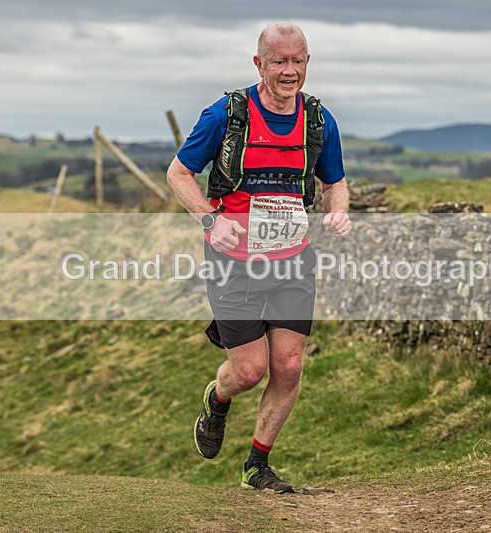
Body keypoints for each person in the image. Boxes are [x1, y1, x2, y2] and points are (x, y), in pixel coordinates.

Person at [166, 21, 351, 494]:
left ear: (307, 62)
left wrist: (338, 210)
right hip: (233, 260)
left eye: (298, 61)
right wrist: (211, 220)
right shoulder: (226, 115)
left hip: (293, 260)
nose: (290, 71)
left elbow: (334, 181)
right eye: (279, 61)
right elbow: (179, 173)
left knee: (289, 366)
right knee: (249, 371)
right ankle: (218, 398)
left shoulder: (318, 120)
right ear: (259, 64)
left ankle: (257, 466)